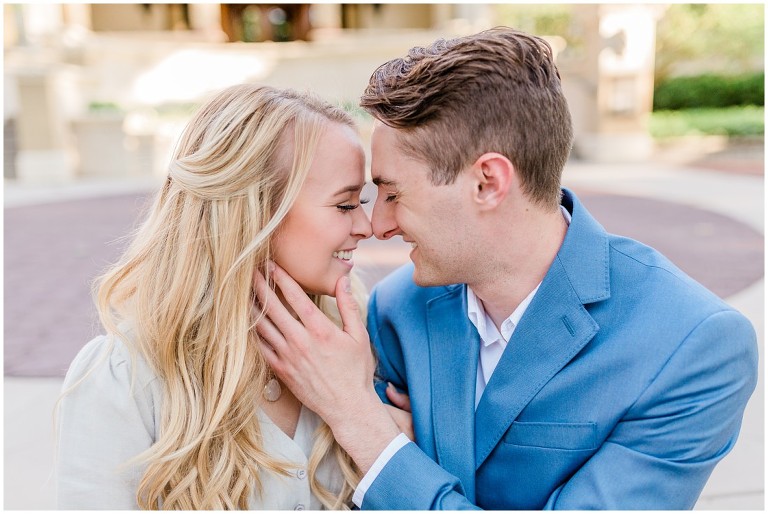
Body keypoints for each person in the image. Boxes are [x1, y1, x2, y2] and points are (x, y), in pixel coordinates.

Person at [254, 27, 759, 509]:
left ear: (488, 182)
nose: (378, 225)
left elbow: (380, 461)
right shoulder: (396, 308)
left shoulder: (694, 345)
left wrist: (367, 430)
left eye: (393, 193)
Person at [55, 83, 410, 509]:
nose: (367, 227)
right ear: (254, 212)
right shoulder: (123, 378)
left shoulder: (364, 343)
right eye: (345, 205)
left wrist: (388, 446)